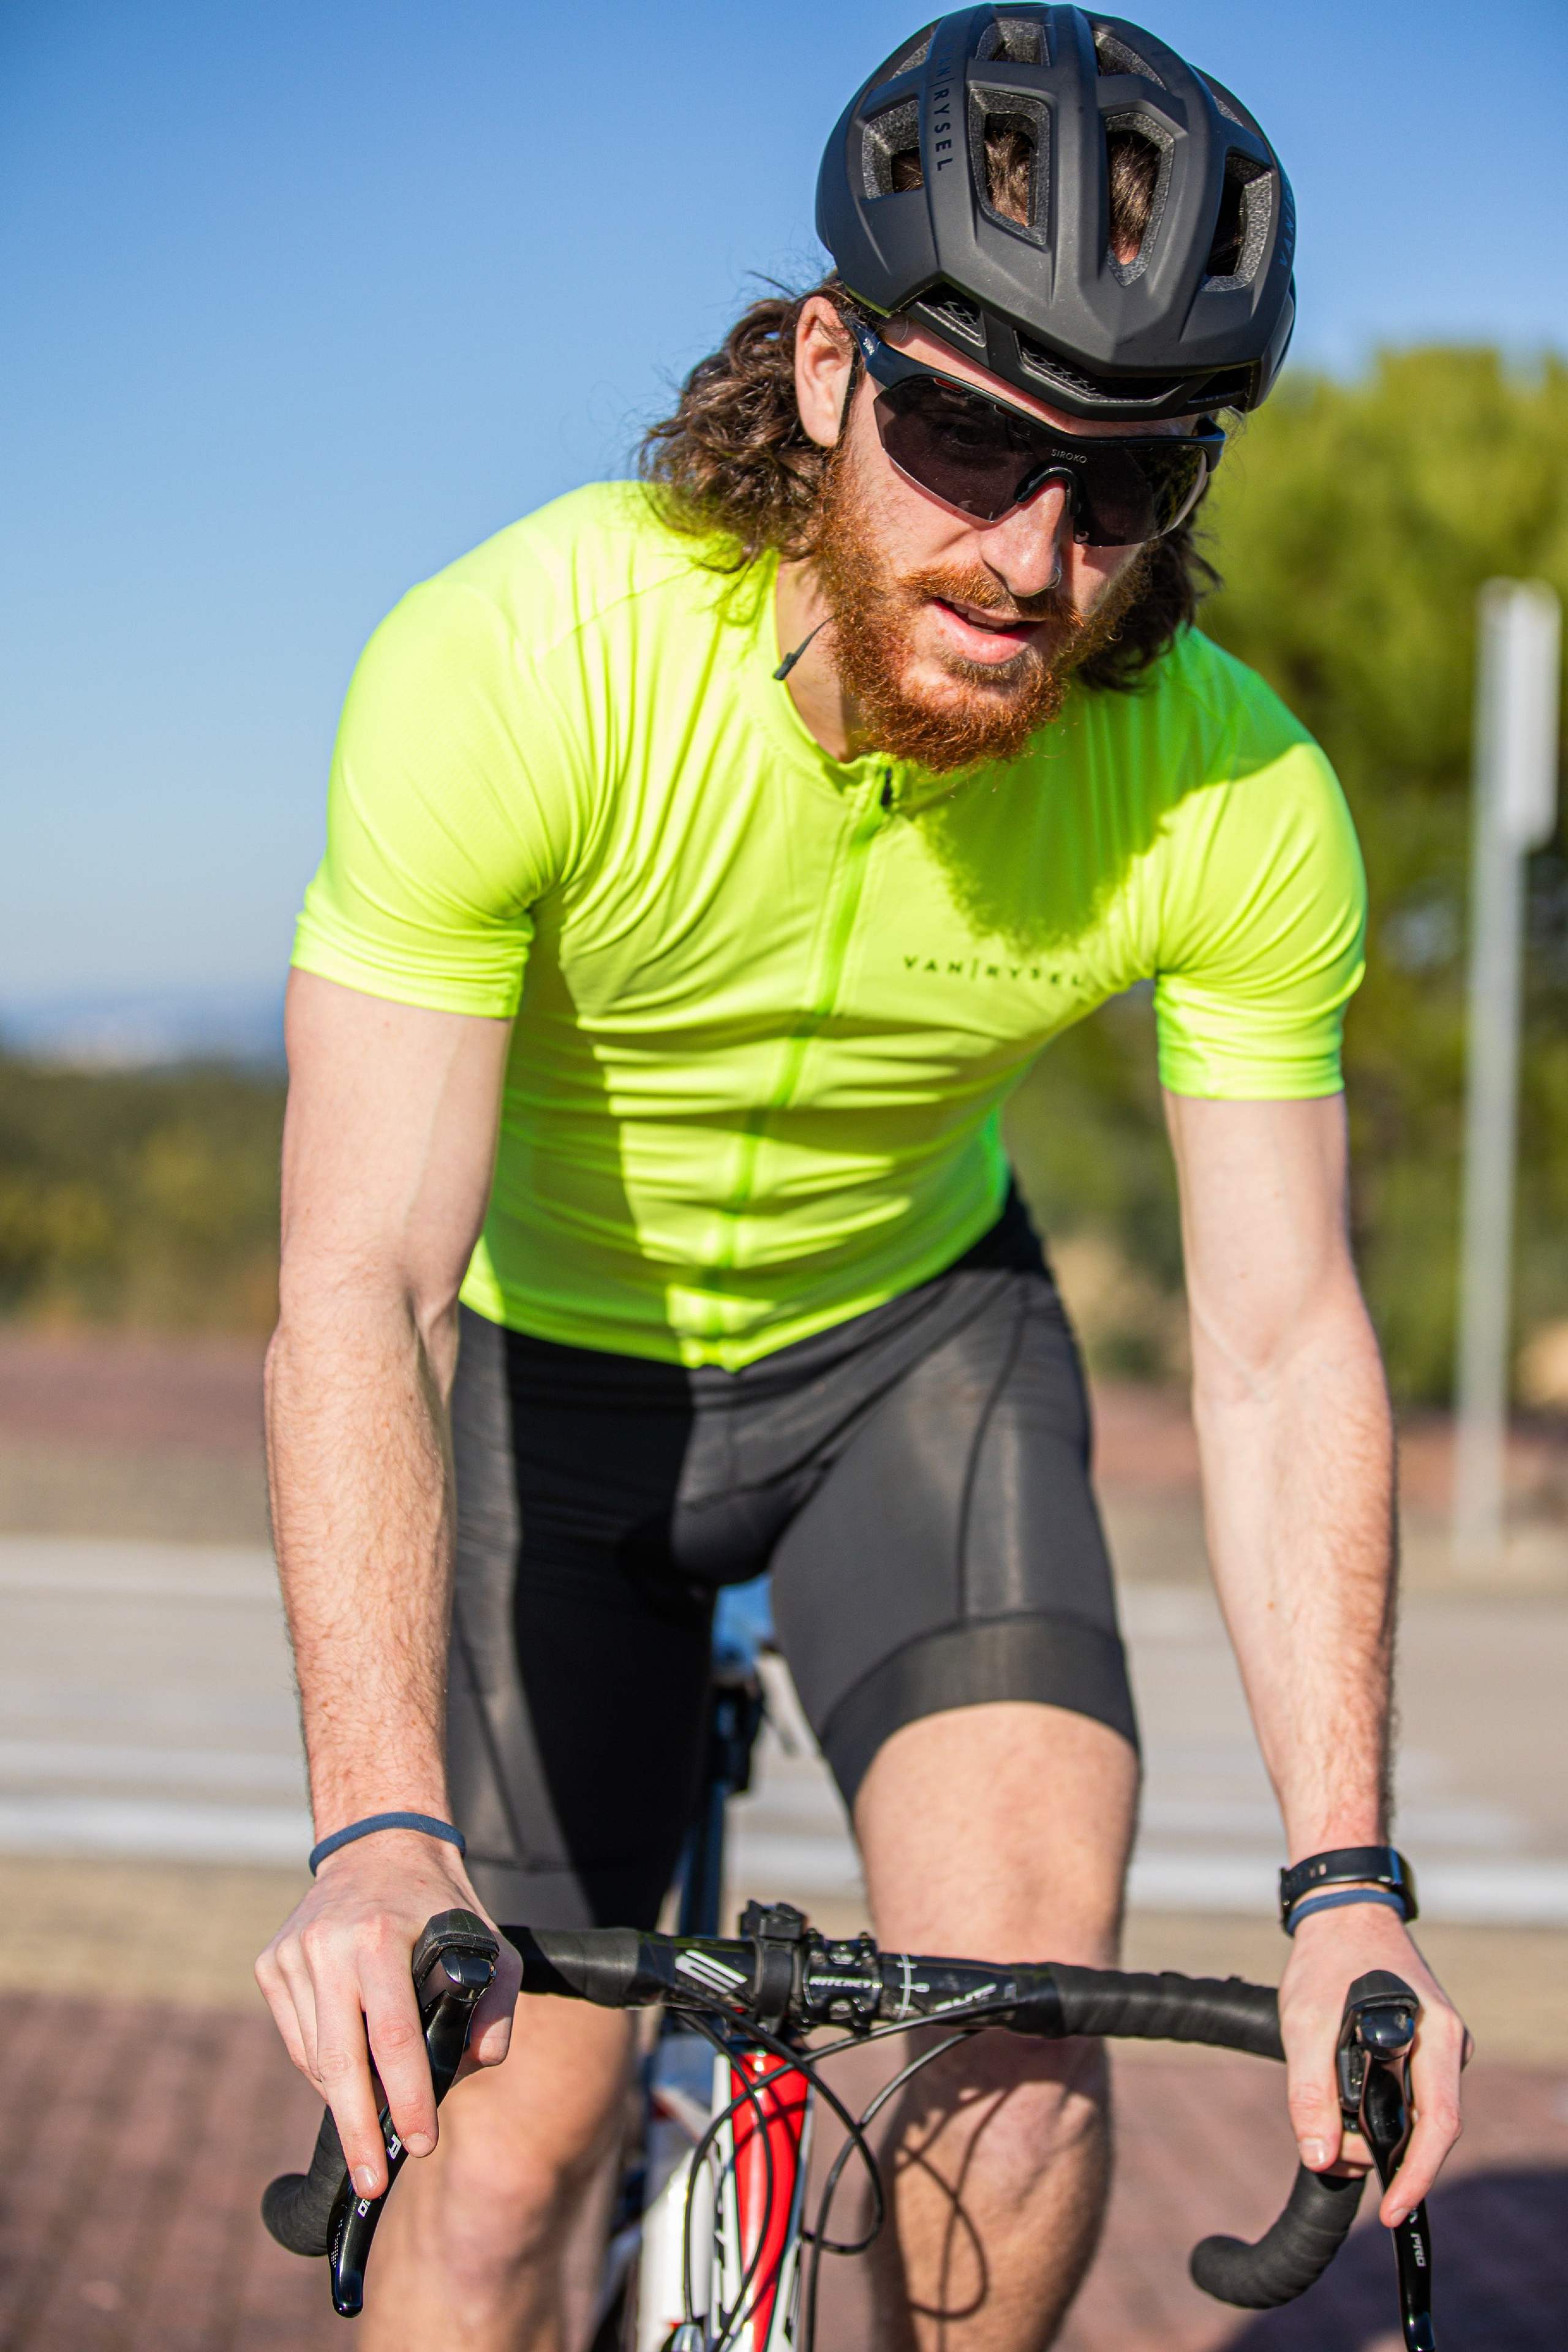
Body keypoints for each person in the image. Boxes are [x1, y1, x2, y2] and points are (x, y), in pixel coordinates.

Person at [256, 10, 1468, 2348]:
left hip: (915, 1363)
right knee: (496, 2154)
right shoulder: (526, 664)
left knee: (1013, 2087)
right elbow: (363, 1282)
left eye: (1125, 485)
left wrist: (1349, 1883)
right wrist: (371, 1827)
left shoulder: (1232, 796)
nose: (1034, 557)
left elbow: (1281, 1334)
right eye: (966, 437)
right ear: (824, 371)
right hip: (536, 1373)